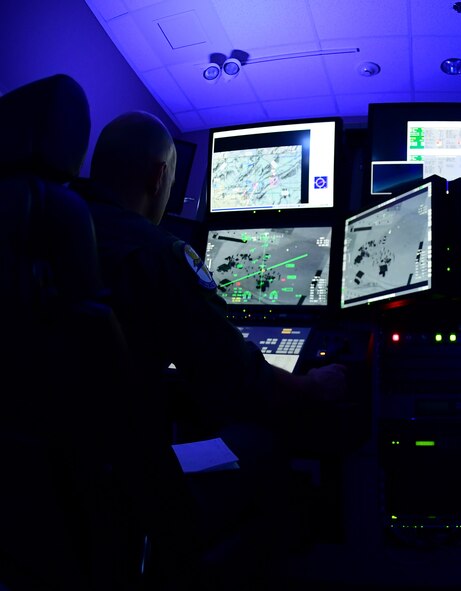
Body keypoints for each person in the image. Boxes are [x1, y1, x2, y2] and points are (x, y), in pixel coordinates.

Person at [72, 110, 348, 589]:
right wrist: (313, 385)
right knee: (261, 439)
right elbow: (240, 382)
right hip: (132, 487)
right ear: (160, 176)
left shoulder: (45, 233)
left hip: (48, 479)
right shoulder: (156, 253)